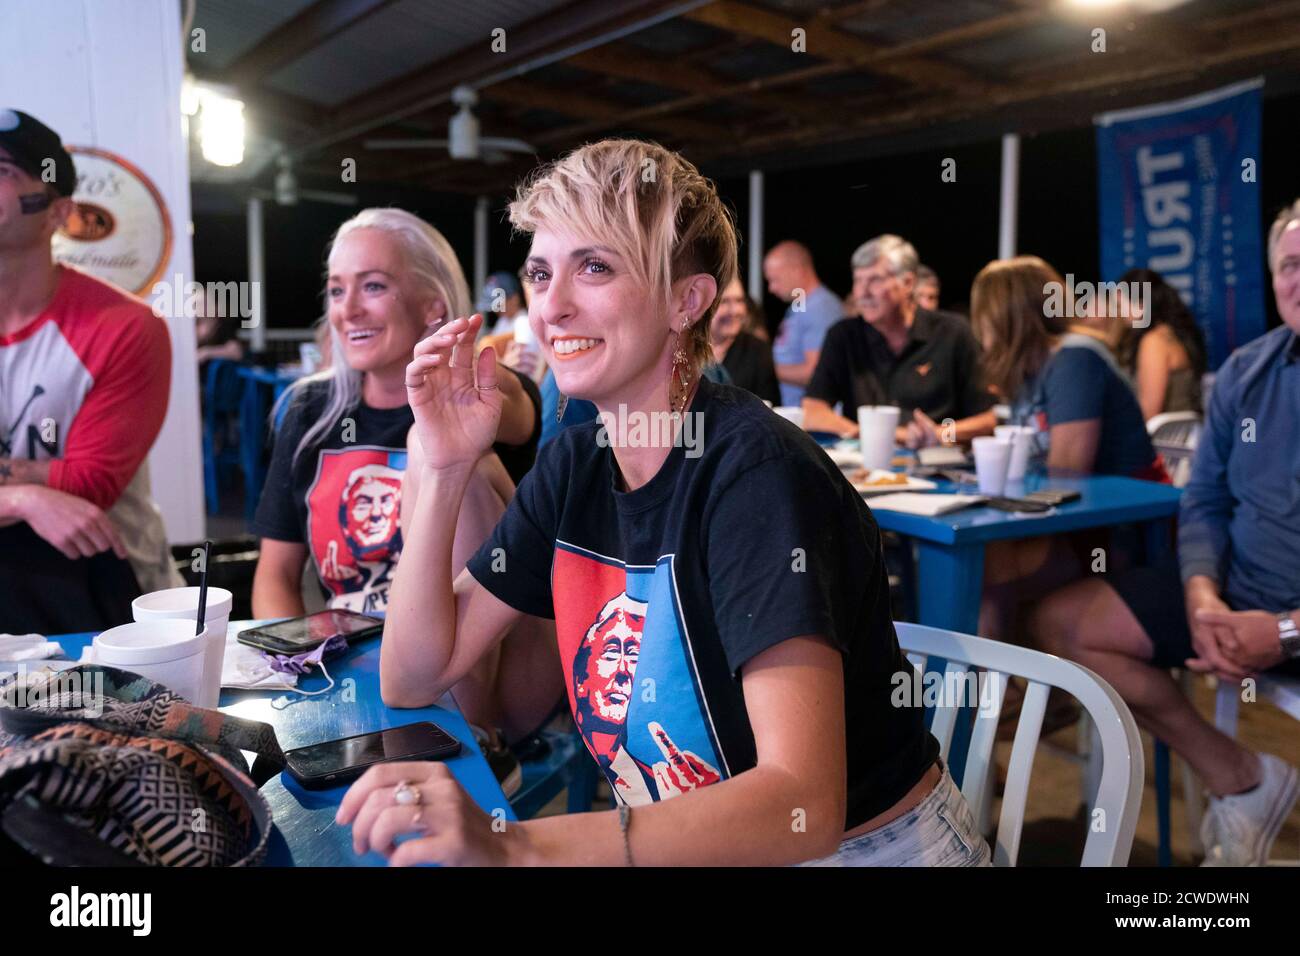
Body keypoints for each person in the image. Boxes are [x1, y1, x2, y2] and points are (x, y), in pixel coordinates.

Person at [336, 139, 985, 867]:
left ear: (688, 300)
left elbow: (803, 806)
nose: (551, 305)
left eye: (596, 266)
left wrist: (515, 843)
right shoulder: (575, 464)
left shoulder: (754, 471)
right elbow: (414, 673)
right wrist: (446, 466)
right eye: (542, 271)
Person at [1030, 202, 1300, 865]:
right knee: (1060, 622)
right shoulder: (1248, 370)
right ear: (1273, 278)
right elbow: (1203, 499)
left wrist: (1287, 630)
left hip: (1287, 620)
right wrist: (1204, 598)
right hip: (1237, 597)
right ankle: (1244, 779)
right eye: (1291, 264)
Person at [250, 208, 558, 745]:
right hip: (358, 669)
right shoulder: (308, 410)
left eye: (373, 286)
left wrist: (450, 387)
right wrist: (301, 668)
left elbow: (512, 408)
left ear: (431, 306)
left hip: (500, 680)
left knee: (437, 448)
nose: (348, 310)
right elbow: (275, 574)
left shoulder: (480, 389)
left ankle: (459, 732)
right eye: (337, 290)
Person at [0, 108, 180, 633]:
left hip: (108, 603)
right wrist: (26, 496)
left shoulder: (124, 327)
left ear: (58, 213)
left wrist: (53, 486)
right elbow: (61, 478)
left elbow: (88, 483)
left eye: (5, 172)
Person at [968, 255, 1167, 646]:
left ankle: (995, 704)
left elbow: (1066, 473)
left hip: (1117, 535)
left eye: (984, 314)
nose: (979, 328)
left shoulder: (1075, 358)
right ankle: (1019, 701)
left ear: (1007, 315)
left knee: (979, 575)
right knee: (972, 567)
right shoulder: (1038, 366)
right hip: (1075, 526)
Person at [802, 234, 996, 446]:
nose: (863, 293)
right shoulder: (843, 335)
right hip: (866, 469)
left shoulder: (953, 333)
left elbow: (987, 419)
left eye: (875, 279)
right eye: (858, 280)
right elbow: (813, 411)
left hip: (939, 465)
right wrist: (876, 434)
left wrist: (938, 434)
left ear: (908, 283)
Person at [1114, 268, 1207, 418]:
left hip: (1162, 439)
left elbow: (1148, 412)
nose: (1117, 314)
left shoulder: (1153, 342)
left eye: (1119, 306)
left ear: (1140, 305)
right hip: (1183, 436)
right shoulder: (1171, 334)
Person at [764, 240, 840, 407]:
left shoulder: (820, 308)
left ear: (796, 271)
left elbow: (816, 373)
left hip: (811, 421)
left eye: (775, 279)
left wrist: (763, 368)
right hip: (797, 416)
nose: (771, 288)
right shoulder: (800, 306)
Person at [710, 275, 780, 405]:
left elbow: (769, 408)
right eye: (724, 301)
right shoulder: (687, 349)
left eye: (740, 301)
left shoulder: (758, 350)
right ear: (705, 305)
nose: (735, 311)